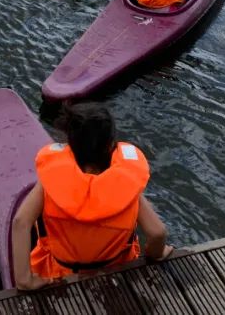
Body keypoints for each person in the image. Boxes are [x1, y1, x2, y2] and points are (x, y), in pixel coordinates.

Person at [10, 102, 173, 291]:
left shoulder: (49, 185)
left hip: (60, 274)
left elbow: (20, 223)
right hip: (117, 273)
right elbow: (157, 232)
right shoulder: (126, 187)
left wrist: (24, 280)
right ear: (110, 145)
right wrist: (157, 253)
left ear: (70, 142)